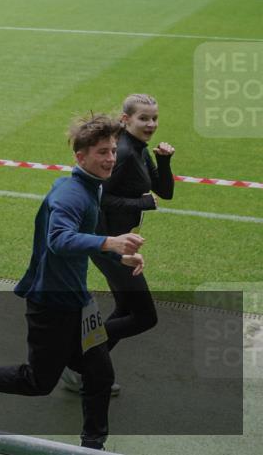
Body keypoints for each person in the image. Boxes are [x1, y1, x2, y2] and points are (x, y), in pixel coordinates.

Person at [0, 113, 146, 451]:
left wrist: (120, 255)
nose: (110, 159)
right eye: (102, 152)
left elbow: (84, 238)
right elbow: (59, 239)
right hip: (52, 305)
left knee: (99, 375)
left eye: (113, 151)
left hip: (79, 302)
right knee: (38, 381)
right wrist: (109, 243)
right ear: (81, 156)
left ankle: (92, 445)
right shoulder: (73, 194)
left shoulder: (89, 187)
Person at [63, 94, 174, 394]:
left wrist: (164, 161)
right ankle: (75, 357)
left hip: (121, 243)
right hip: (109, 244)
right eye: (143, 118)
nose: (151, 124)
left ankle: (79, 370)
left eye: (154, 118)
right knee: (144, 316)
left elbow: (164, 190)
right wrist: (140, 203)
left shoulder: (139, 149)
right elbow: (101, 199)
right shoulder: (122, 153)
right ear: (126, 120)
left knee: (126, 311)